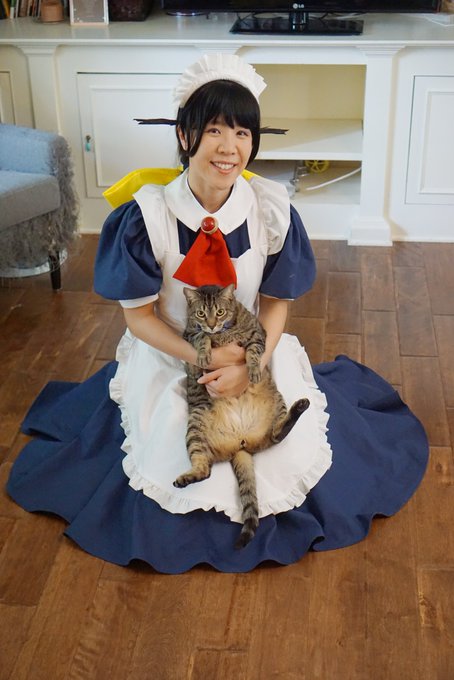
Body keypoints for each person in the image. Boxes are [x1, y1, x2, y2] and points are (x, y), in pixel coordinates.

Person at [6, 54, 428, 574]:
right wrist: (207, 362)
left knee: (288, 448)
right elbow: (140, 320)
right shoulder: (145, 218)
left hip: (252, 351)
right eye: (214, 131)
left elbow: (276, 304)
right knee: (176, 449)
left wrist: (251, 366)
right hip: (174, 354)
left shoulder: (270, 209)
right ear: (185, 135)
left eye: (242, 133)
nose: (230, 148)